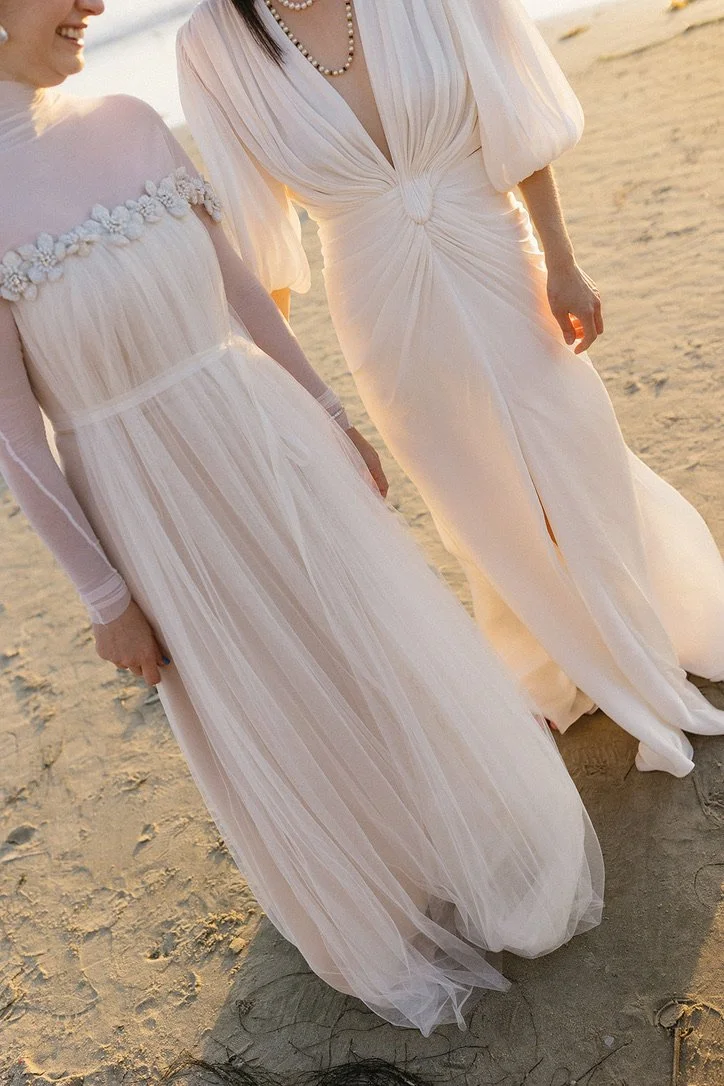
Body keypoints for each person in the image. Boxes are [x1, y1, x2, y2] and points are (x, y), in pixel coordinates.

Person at [0, 0, 603, 1036]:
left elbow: (238, 288)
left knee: (367, 633)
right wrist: (104, 594)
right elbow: (17, 438)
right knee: (266, 685)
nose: (92, 2)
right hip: (147, 499)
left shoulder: (130, 119)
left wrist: (327, 412)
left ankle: (458, 835)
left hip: (267, 429)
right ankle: (376, 880)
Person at [177, 0, 724, 778]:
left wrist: (563, 261)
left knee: (578, 452)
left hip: (498, 252)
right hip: (381, 305)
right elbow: (255, 239)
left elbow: (512, 109)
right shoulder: (210, 45)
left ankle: (641, 644)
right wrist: (285, 393)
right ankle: (555, 660)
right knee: (480, 500)